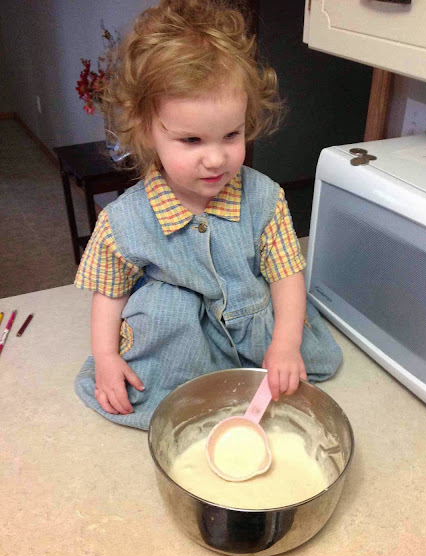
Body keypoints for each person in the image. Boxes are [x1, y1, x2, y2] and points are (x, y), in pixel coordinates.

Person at [74, 0, 342, 430]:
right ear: (146, 130)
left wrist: (286, 344)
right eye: (192, 140)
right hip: (177, 341)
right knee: (163, 329)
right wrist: (106, 357)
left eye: (231, 135)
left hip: (252, 324)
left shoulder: (265, 199)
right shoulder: (124, 222)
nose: (216, 159)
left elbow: (286, 275)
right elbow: (109, 294)